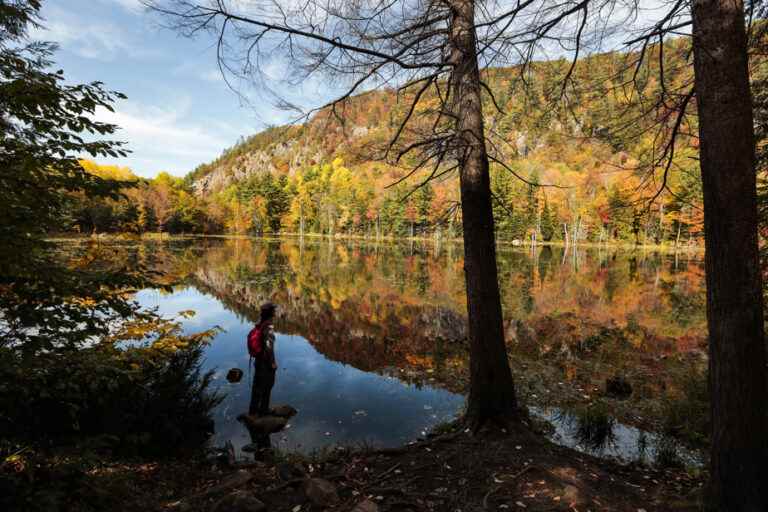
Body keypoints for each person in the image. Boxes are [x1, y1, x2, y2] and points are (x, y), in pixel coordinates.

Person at [248, 302, 278, 417]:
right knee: (267, 385)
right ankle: (263, 410)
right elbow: (269, 347)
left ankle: (253, 411)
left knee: (257, 386)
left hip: (258, 360)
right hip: (265, 362)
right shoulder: (268, 327)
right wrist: (273, 363)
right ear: (271, 313)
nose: (275, 312)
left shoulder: (259, 324)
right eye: (274, 310)